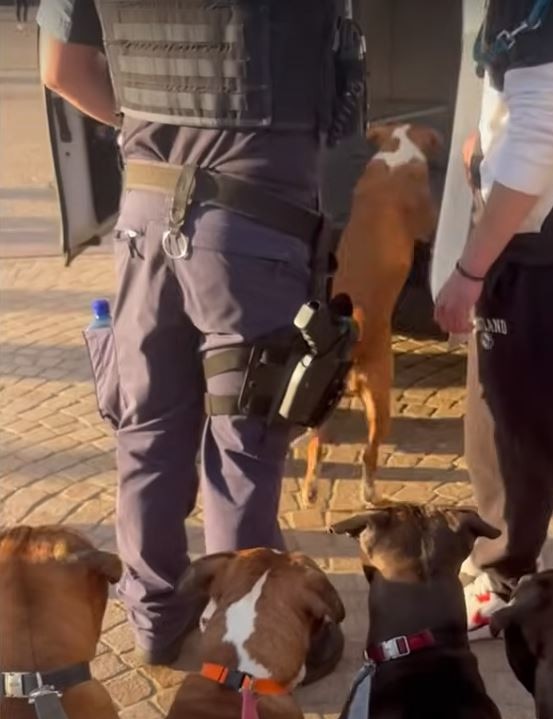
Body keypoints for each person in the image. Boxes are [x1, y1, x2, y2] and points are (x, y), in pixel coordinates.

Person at [37, 0, 365, 679]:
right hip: (254, 229)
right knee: (241, 452)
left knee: (146, 435)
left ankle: (157, 626)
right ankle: (244, 644)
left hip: (144, 218)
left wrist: (151, 132)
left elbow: (61, 70)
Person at [435, 0, 553, 639]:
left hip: (532, 246)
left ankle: (505, 578)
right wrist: (488, 139)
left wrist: (472, 267)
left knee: (509, 424)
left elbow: (540, 137)